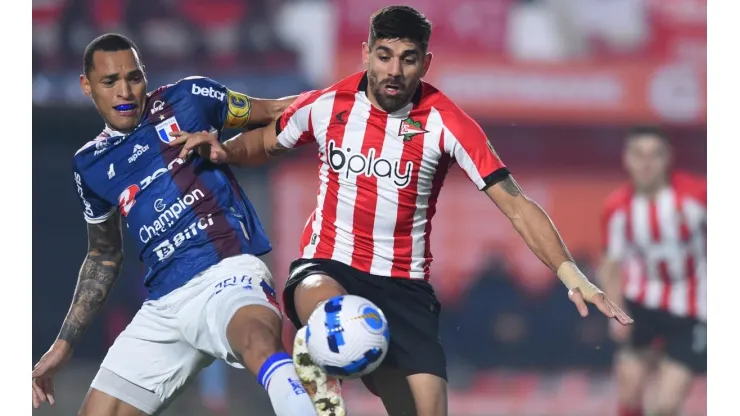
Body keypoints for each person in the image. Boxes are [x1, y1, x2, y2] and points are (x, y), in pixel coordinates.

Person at [170, 6, 633, 416]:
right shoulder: (330, 104)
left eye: (408, 59)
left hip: (404, 287)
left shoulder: (447, 122)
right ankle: (316, 356)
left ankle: (338, 356)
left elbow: (515, 204)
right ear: (366, 53)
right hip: (328, 265)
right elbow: (267, 142)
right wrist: (224, 153)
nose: (394, 70)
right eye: (384, 56)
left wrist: (572, 274)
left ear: (424, 63)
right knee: (329, 304)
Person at [30, 33, 327, 416]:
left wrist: (347, 97)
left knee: (257, 340)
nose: (125, 91)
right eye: (110, 81)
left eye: (134, 78)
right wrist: (63, 346)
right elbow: (104, 255)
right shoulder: (89, 165)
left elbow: (276, 111)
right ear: (86, 86)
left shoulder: (188, 100)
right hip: (164, 308)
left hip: (226, 273)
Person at [598, 126, 706, 416]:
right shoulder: (618, 206)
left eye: (654, 155)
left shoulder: (698, 196)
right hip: (641, 305)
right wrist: (615, 311)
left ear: (667, 158)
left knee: (666, 405)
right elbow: (611, 263)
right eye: (638, 155)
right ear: (627, 159)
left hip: (694, 310)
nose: (646, 163)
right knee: (630, 387)